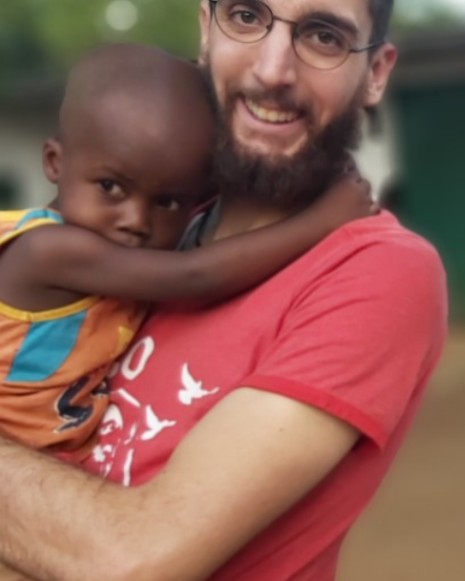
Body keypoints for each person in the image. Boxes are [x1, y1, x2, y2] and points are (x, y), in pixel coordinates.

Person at [0, 0, 447, 581]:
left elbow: (129, 560)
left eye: (322, 35)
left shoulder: (375, 269)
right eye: (247, 15)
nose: (273, 70)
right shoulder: (157, 228)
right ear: (206, 30)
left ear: (376, 72)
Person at [0, 42, 371, 455]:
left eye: (167, 202)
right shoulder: (50, 250)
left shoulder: (103, 241)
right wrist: (323, 221)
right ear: (54, 162)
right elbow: (196, 275)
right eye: (110, 187)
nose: (136, 221)